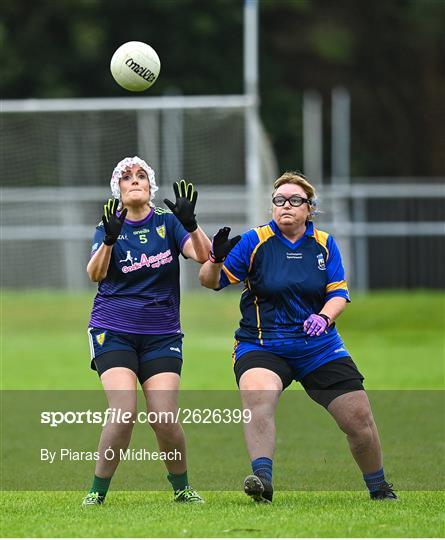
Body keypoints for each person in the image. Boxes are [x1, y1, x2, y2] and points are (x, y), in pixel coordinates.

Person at [199, 171, 397, 503]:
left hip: (318, 347)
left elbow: (337, 294)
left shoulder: (324, 244)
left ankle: (379, 488)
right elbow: (209, 281)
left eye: (295, 201)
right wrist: (215, 259)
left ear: (309, 209)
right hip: (262, 344)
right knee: (257, 393)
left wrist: (324, 316)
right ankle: (263, 480)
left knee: (358, 416)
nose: (285, 206)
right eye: (279, 200)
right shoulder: (254, 241)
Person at [82, 156, 211, 506]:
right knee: (123, 412)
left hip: (162, 334)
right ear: (118, 189)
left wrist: (192, 224)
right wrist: (109, 240)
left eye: (141, 176)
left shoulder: (169, 224)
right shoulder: (107, 226)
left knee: (164, 418)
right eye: (126, 177)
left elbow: (203, 256)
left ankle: (182, 488)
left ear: (150, 187)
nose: (134, 180)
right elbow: (94, 274)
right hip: (114, 329)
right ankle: (96, 493)